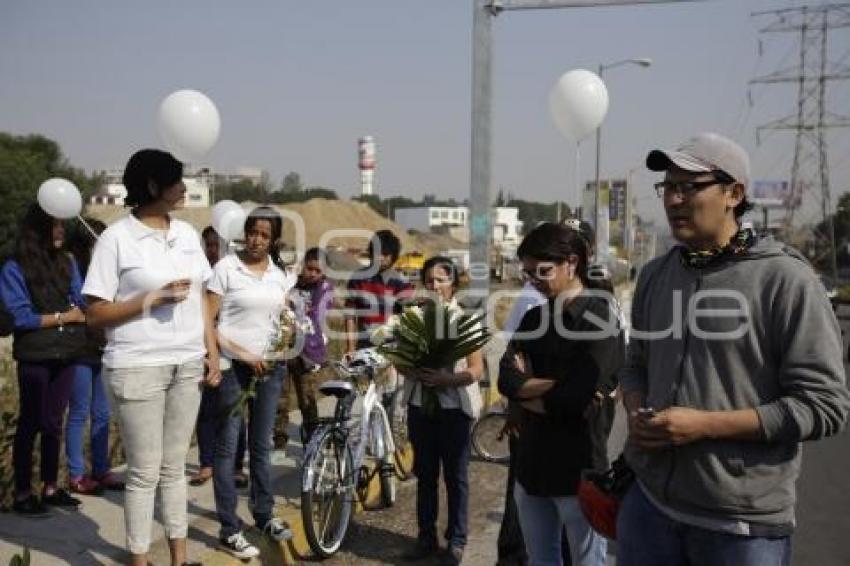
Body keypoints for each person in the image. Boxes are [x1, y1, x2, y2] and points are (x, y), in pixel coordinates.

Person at [617, 132, 850, 565]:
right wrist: (634, 409)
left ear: (734, 194)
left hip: (741, 529)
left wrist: (705, 425)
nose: (673, 200)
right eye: (668, 187)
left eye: (689, 186)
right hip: (648, 507)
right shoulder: (655, 274)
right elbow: (635, 365)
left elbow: (825, 406)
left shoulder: (785, 279)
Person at [83, 149, 219, 566]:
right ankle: (140, 559)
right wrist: (150, 299)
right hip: (137, 366)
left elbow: (202, 299)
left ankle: (179, 558)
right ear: (154, 186)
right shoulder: (116, 238)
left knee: (174, 468)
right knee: (144, 472)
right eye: (177, 181)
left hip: (187, 364)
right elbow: (94, 312)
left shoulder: (187, 236)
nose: (184, 188)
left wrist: (211, 352)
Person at [499, 222, 623, 566]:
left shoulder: (600, 319)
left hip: (577, 470)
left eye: (541, 271)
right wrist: (559, 387)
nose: (532, 281)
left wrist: (532, 389)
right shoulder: (533, 317)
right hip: (531, 468)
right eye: (526, 273)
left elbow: (576, 400)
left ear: (571, 262)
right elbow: (506, 380)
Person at [207, 206, 295, 559]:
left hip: (270, 369)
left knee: (261, 445)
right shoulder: (226, 268)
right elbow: (208, 323)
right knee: (228, 448)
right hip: (233, 367)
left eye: (264, 235)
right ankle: (229, 527)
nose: (257, 240)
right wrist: (242, 354)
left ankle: (264, 514)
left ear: (273, 240)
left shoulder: (278, 273)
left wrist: (286, 336)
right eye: (252, 232)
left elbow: (283, 315)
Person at [0, 204, 89, 516]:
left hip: (66, 353)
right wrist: (65, 316)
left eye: (63, 225)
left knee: (54, 423)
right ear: (38, 230)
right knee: (30, 422)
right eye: (54, 226)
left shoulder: (68, 262)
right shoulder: (15, 268)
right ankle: (23, 492)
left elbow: (81, 301)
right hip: (35, 355)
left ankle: (51, 486)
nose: (61, 231)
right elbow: (21, 317)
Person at [401, 256, 484, 566]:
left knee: (456, 476)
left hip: (454, 410)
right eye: (429, 280)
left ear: (453, 284)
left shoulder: (466, 320)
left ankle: (457, 540)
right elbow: (398, 360)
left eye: (441, 279)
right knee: (425, 474)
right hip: (420, 406)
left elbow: (476, 369)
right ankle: (426, 537)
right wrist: (413, 370)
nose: (434, 285)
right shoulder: (414, 319)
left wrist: (445, 378)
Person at [64, 218, 125, 495]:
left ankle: (101, 469)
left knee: (102, 412)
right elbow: (83, 303)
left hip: (104, 347)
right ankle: (76, 474)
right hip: (79, 349)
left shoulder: (110, 271)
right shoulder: (73, 269)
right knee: (79, 411)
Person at [189, 226, 248, 489]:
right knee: (206, 410)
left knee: (233, 410)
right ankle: (206, 463)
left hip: (231, 350)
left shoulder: (235, 272)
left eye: (216, 245)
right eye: (208, 245)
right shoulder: (199, 275)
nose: (212, 250)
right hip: (203, 348)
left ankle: (236, 465)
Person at [274, 246, 334, 450]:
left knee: (307, 398)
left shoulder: (324, 289)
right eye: (309, 268)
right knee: (280, 397)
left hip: (308, 350)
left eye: (318, 271)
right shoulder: (291, 282)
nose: (313, 274)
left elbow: (315, 313)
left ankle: (312, 438)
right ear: (303, 266)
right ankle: (279, 437)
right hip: (284, 347)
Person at [344, 229, 414, 352]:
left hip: (394, 347)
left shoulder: (401, 282)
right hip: (365, 345)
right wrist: (350, 347)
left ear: (394, 256)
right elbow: (350, 314)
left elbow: (408, 316)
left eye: (385, 254)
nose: (380, 258)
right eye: (377, 253)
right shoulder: (358, 279)